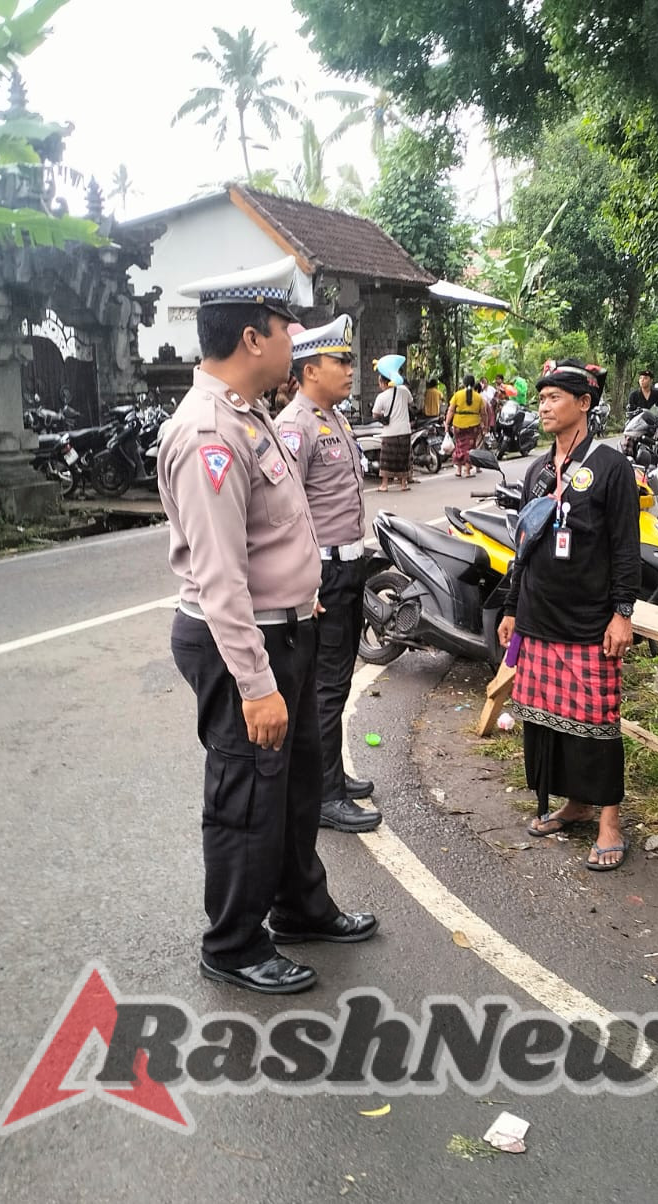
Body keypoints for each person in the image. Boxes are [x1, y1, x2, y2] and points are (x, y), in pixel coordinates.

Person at [158, 255, 377, 996]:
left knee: (294, 784)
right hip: (242, 641)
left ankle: (299, 906)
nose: (295, 340)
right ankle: (233, 943)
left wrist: (303, 599)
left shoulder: (251, 415)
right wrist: (255, 685)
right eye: (288, 328)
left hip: (286, 627)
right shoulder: (210, 434)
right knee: (247, 793)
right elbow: (220, 576)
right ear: (254, 338)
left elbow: (276, 531)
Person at [497, 359, 640, 872]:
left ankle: (609, 822)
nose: (544, 406)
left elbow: (626, 547)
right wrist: (511, 606)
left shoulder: (611, 467)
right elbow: (524, 545)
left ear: (583, 403)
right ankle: (575, 805)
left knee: (597, 722)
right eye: (541, 399)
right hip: (539, 614)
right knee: (548, 722)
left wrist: (622, 614)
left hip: (589, 620)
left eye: (554, 397)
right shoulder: (537, 470)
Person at [274, 315, 380, 835]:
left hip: (348, 566)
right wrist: (306, 580)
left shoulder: (332, 418)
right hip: (325, 572)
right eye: (340, 361)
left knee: (336, 679)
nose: (349, 369)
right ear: (310, 369)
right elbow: (285, 511)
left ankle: (331, 774)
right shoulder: (295, 425)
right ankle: (325, 794)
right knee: (326, 687)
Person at [372, 354, 414, 492]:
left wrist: (384, 418)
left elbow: (375, 414)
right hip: (405, 430)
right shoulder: (404, 390)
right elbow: (411, 402)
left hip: (389, 432)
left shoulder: (381, 397)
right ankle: (403, 484)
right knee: (403, 457)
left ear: (383, 382)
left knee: (387, 459)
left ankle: (384, 485)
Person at [446, 373, 486, 477]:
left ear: (464, 383)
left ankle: (458, 470)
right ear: (474, 384)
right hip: (473, 425)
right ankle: (467, 471)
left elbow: (451, 410)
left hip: (458, 424)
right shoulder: (478, 397)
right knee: (470, 448)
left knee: (459, 446)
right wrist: (485, 425)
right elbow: (483, 413)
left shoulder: (457, 395)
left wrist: (447, 424)